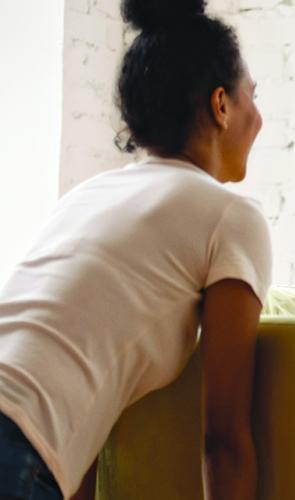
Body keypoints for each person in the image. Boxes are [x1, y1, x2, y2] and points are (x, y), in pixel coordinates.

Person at [0, 0, 270, 498]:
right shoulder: (231, 217)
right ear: (221, 105)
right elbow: (224, 441)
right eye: (253, 96)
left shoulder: (86, 198)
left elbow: (76, 433)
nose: (260, 118)